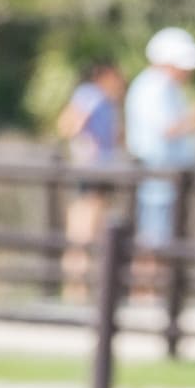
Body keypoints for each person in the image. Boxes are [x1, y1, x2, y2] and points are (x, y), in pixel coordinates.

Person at [127, 27, 195, 256]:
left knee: (162, 241)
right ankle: (147, 291)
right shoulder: (154, 86)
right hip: (157, 180)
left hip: (166, 180)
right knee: (153, 242)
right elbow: (168, 129)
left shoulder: (166, 87)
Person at [54, 58, 126, 300]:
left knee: (95, 226)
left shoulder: (107, 101)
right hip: (92, 169)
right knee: (83, 227)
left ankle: (82, 288)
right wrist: (85, 146)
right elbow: (69, 124)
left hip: (102, 169)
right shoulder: (91, 94)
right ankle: (76, 289)